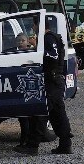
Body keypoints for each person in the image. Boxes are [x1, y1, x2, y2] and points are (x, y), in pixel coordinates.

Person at [18, 21, 73, 155]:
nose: (33, 28)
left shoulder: (49, 38)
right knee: (58, 115)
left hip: (53, 81)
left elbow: (53, 56)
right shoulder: (52, 38)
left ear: (39, 26)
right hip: (55, 81)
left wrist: (37, 47)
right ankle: (65, 144)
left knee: (42, 112)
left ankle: (32, 145)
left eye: (34, 26)